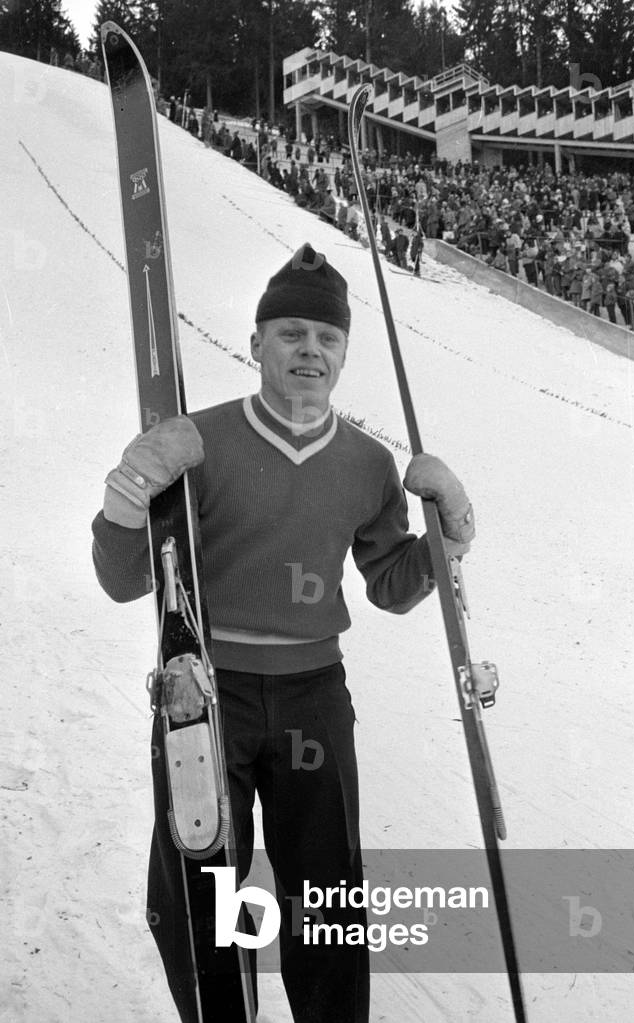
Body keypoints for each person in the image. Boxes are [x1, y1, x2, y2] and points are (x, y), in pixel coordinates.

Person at [91, 244, 475, 1023]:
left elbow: (391, 584)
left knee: (325, 891)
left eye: (326, 337)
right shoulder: (197, 442)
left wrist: (449, 534)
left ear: (343, 354)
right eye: (291, 332)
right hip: (204, 693)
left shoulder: (367, 462)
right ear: (256, 343)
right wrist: (128, 493)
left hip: (314, 696)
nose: (309, 349)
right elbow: (124, 578)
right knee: (202, 883)